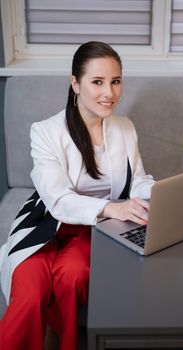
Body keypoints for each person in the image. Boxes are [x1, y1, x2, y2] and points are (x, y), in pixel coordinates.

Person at [0, 41, 154, 350]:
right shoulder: (45, 131)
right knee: (30, 294)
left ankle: (61, 341)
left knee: (73, 277)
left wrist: (161, 195)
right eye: (97, 82)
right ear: (75, 84)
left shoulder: (125, 128)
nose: (108, 92)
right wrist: (112, 208)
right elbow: (57, 200)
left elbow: (137, 180)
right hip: (45, 223)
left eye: (115, 81)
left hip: (92, 228)